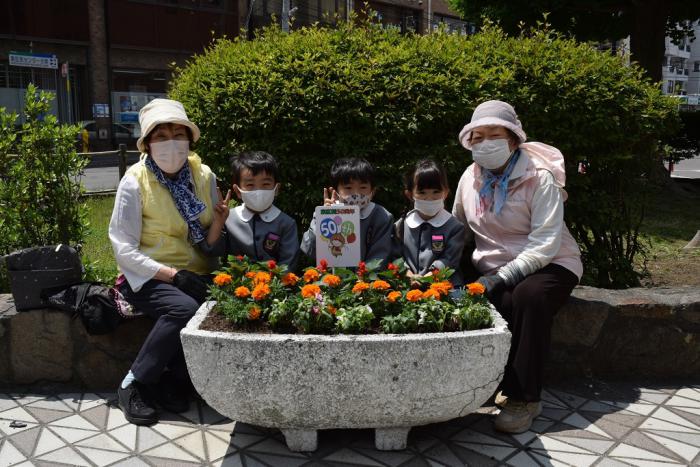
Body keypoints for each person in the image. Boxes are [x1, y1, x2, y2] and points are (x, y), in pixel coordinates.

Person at [452, 100, 583, 434]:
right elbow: (456, 230)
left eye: (494, 135)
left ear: (513, 139)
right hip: (495, 267)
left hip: (551, 263)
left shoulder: (540, 178)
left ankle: (524, 397)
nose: (485, 143)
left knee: (528, 297)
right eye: (477, 136)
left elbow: (544, 244)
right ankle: (488, 384)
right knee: (496, 301)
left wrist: (500, 278)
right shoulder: (470, 177)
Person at [109, 98, 226, 425]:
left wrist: (218, 222)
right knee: (183, 308)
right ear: (146, 144)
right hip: (147, 276)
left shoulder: (204, 176)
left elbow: (209, 244)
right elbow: (123, 249)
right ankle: (133, 383)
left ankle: (171, 381)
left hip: (197, 272)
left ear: (190, 140)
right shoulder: (134, 181)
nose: (171, 143)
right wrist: (174, 276)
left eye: (179, 134)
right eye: (161, 136)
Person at [199, 151, 300, 270]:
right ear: (237, 191)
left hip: (274, 286)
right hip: (236, 286)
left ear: (276, 189)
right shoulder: (228, 218)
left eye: (266, 184)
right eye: (250, 185)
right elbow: (210, 251)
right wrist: (218, 222)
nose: (258, 190)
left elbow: (288, 264)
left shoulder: (286, 223)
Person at [300, 157, 393, 266]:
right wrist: (322, 218)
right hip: (331, 278)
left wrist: (363, 277)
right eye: (348, 188)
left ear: (373, 191)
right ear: (335, 191)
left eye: (363, 187)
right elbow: (309, 250)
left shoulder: (382, 216)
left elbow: (380, 256)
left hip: (366, 279)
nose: (356, 193)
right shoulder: (327, 213)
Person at [393, 159, 466, 286]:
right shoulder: (401, 225)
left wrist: (428, 277)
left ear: (446, 193)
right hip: (406, 285)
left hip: (445, 286)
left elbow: (449, 259)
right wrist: (407, 273)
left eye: (436, 192)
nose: (429, 198)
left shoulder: (455, 227)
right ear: (410, 195)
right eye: (422, 193)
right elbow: (395, 255)